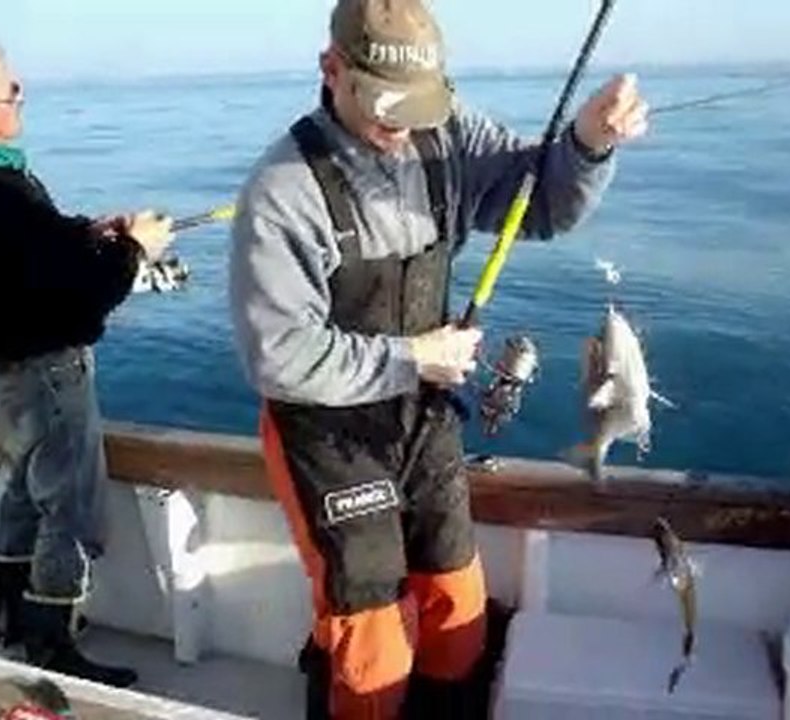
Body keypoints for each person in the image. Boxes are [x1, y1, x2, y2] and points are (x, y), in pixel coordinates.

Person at [228, 0, 648, 717]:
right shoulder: (283, 191)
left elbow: (539, 202)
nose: (403, 127)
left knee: (457, 607)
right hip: (326, 434)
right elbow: (277, 354)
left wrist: (586, 144)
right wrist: (412, 357)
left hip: (424, 416)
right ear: (332, 70)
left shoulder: (448, 133)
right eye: (386, 107)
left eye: (416, 106)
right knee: (370, 634)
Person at [0, 36, 174, 687]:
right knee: (70, 509)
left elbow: (28, 259)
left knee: (24, 493)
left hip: (2, 374)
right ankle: (51, 643)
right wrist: (133, 251)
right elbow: (76, 295)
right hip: (48, 372)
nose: (21, 96)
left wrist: (87, 233)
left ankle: (9, 622)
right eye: (11, 90)